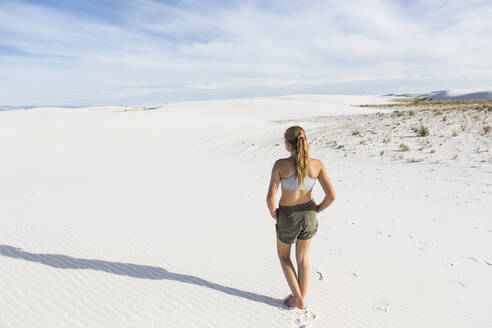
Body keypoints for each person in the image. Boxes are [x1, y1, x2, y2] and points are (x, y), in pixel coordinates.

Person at [266, 126, 336, 309]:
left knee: (283, 256)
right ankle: (301, 297)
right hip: (309, 214)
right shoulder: (317, 164)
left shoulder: (280, 165)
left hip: (288, 216)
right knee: (303, 258)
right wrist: (317, 210)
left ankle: (297, 298)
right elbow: (332, 196)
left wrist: (275, 214)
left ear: (288, 144)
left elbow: (270, 198)